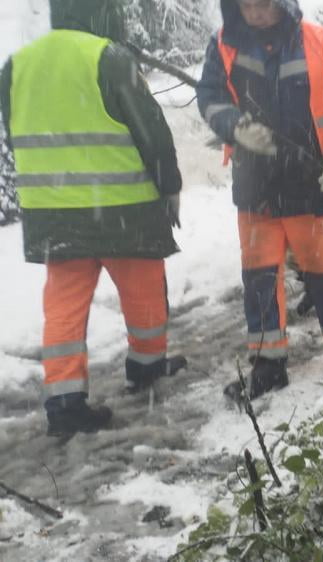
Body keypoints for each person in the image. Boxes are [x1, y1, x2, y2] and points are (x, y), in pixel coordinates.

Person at [0, 0, 186, 436]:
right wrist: (170, 186)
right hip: (124, 210)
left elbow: (14, 134)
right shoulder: (110, 58)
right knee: (143, 294)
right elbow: (151, 131)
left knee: (63, 307)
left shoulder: (16, 65)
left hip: (53, 214)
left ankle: (64, 403)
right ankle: (146, 369)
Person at [196, 0, 323, 402]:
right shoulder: (224, 44)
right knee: (259, 278)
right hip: (255, 189)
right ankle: (268, 364)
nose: (255, 14)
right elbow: (210, 97)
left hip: (312, 186)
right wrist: (234, 128)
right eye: (247, 6)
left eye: (263, 6)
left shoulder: (322, 44)